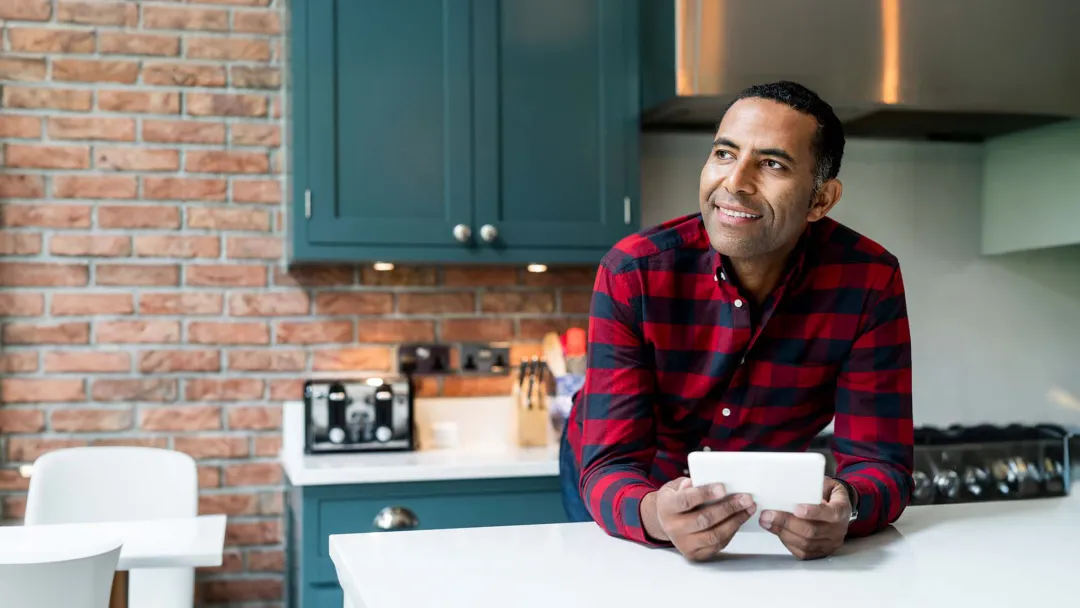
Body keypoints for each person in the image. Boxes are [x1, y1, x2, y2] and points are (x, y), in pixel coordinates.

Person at [558, 80, 914, 562]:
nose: (736, 181)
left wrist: (847, 507)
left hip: (757, 499)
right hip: (633, 485)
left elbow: (880, 463)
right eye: (725, 154)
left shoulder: (869, 281)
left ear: (821, 200)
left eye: (772, 164)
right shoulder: (632, 274)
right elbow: (609, 465)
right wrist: (655, 514)